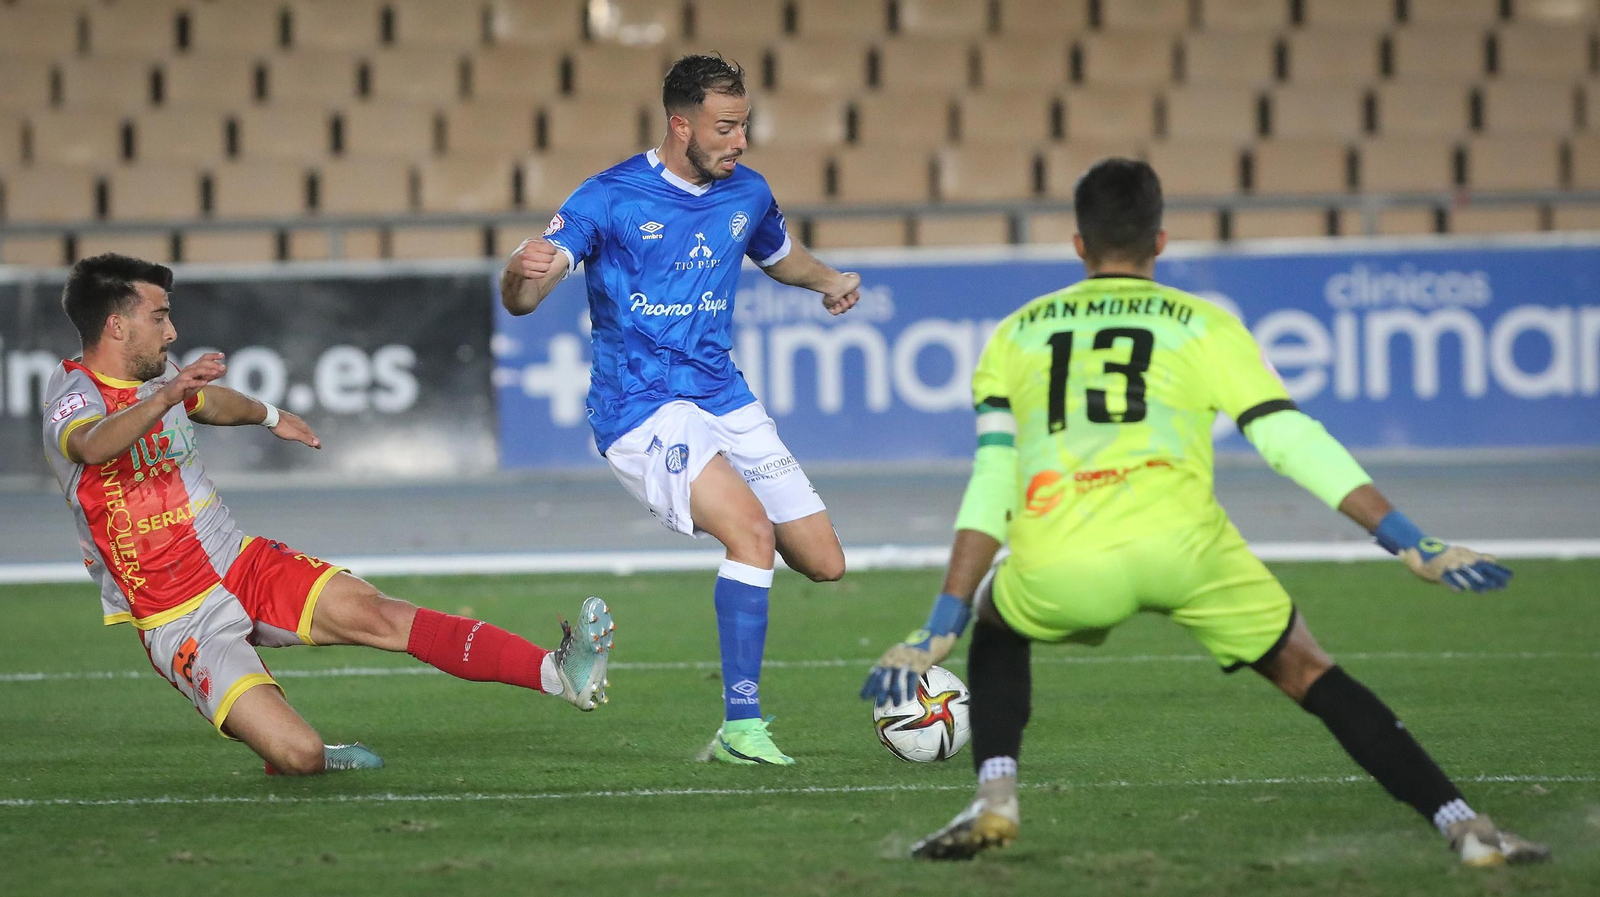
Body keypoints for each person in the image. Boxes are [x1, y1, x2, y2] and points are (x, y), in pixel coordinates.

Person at [859, 159, 1550, 867]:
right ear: (1160, 241)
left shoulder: (1015, 334)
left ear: (1077, 245)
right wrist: (1406, 537)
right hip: (1187, 549)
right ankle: (1464, 825)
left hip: (1065, 554)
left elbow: (993, 476)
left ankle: (996, 795)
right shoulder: (1205, 324)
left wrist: (944, 618)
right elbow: (1288, 438)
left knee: (995, 617)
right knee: (1310, 670)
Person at [42, 253, 616, 776]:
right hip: (177, 613)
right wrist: (165, 397)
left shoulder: (159, 378)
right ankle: (289, 748)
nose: (173, 331)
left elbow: (207, 401)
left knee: (380, 613)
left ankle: (558, 672)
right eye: (160, 317)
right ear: (116, 325)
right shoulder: (76, 394)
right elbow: (91, 446)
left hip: (238, 561)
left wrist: (269, 415)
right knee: (301, 757)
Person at [500, 55, 860, 766]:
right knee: (751, 535)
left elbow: (778, 255)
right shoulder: (609, 198)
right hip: (640, 406)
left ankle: (742, 690)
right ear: (680, 124)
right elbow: (527, 294)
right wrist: (519, 274)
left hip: (722, 393)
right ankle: (741, 728)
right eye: (726, 127)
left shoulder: (747, 192)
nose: (741, 141)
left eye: (745, 124)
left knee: (823, 561)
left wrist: (829, 280)